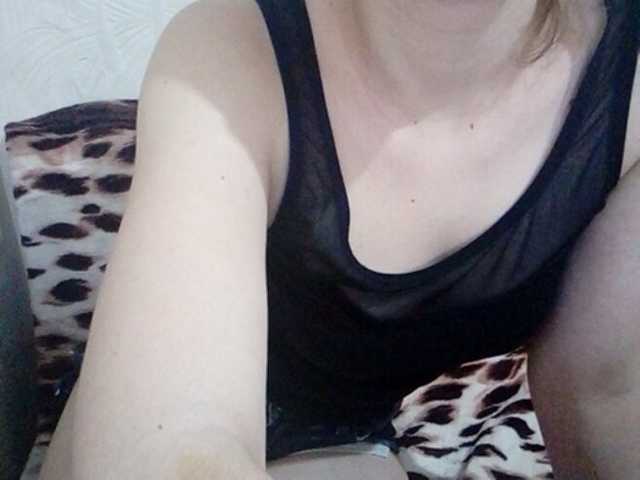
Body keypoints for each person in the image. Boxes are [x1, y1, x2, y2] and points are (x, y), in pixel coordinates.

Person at [40, 0, 639, 479]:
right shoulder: (228, 51)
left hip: (347, 430)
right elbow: (166, 441)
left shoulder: (625, 76)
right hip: (142, 420)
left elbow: (603, 390)